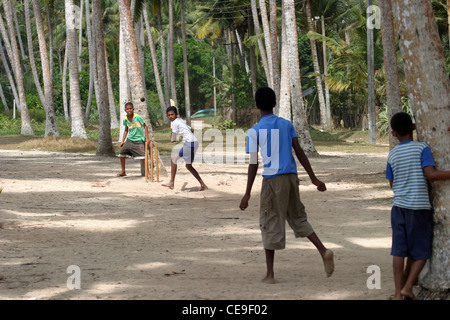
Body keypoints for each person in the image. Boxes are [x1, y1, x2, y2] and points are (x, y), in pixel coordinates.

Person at [239, 87, 334, 284]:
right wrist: (314, 179)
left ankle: (270, 274)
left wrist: (247, 193)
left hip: (272, 180)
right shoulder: (286, 125)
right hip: (291, 177)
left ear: (257, 106)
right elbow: (299, 152)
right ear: (274, 104)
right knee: (298, 217)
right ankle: (323, 251)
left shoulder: (254, 131)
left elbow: (254, 163)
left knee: (270, 220)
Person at [386, 112, 450, 300]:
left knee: (398, 251)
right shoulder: (422, 148)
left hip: (398, 208)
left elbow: (391, 183)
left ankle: (398, 293)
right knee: (422, 250)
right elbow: (431, 174)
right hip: (419, 207)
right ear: (414, 127)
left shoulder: (392, 154)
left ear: (393, 133)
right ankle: (408, 287)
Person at [162, 106, 208, 191]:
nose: (170, 116)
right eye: (168, 115)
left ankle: (171, 182)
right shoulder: (180, 121)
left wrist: (172, 137)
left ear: (176, 114)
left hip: (189, 143)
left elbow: (173, 138)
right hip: (194, 142)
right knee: (189, 166)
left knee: (173, 159)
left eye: (172, 114)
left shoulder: (175, 123)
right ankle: (203, 185)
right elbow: (192, 130)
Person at [117, 102, 149, 177]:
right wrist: (122, 141)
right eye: (127, 109)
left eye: (130, 109)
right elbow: (126, 130)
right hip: (130, 139)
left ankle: (148, 173)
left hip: (139, 139)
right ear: (125, 110)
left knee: (143, 157)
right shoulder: (125, 119)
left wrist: (147, 138)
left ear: (133, 109)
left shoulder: (138, 117)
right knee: (122, 154)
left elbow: (145, 126)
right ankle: (123, 171)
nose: (129, 110)